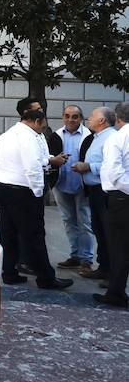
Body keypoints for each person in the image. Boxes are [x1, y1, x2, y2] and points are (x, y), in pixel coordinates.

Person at [0, 98, 73, 290]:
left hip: (3, 187)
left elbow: (33, 159)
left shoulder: (9, 133)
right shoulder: (28, 136)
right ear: (35, 121)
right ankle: (46, 278)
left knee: (9, 233)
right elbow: (32, 167)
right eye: (42, 125)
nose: (42, 129)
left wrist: (50, 160)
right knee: (34, 235)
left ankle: (9, 273)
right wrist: (38, 192)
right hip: (22, 190)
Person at [72, 106, 115, 282]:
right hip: (95, 190)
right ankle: (104, 267)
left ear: (102, 120)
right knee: (99, 230)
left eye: (92, 116)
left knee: (108, 232)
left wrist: (88, 167)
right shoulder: (97, 137)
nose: (88, 118)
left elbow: (110, 165)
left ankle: (113, 273)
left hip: (105, 191)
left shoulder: (111, 138)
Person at [95, 100, 129, 309]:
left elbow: (114, 173)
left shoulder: (117, 138)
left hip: (120, 197)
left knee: (119, 247)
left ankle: (115, 292)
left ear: (117, 119)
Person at [52, 105, 94, 274]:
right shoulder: (56, 135)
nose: (70, 119)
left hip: (82, 185)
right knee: (68, 221)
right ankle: (75, 255)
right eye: (67, 116)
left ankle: (86, 260)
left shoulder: (89, 136)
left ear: (81, 118)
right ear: (63, 117)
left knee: (85, 223)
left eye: (75, 116)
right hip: (61, 184)